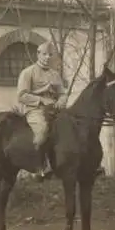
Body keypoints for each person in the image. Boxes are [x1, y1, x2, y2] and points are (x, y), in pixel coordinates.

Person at [17, 41, 68, 182]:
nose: (47, 57)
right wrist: (41, 100)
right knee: (42, 130)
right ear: (38, 54)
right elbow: (21, 96)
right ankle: (39, 167)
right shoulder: (28, 73)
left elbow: (62, 93)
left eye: (50, 55)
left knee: (72, 125)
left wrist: (61, 101)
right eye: (44, 54)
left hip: (54, 109)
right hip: (35, 109)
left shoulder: (55, 75)